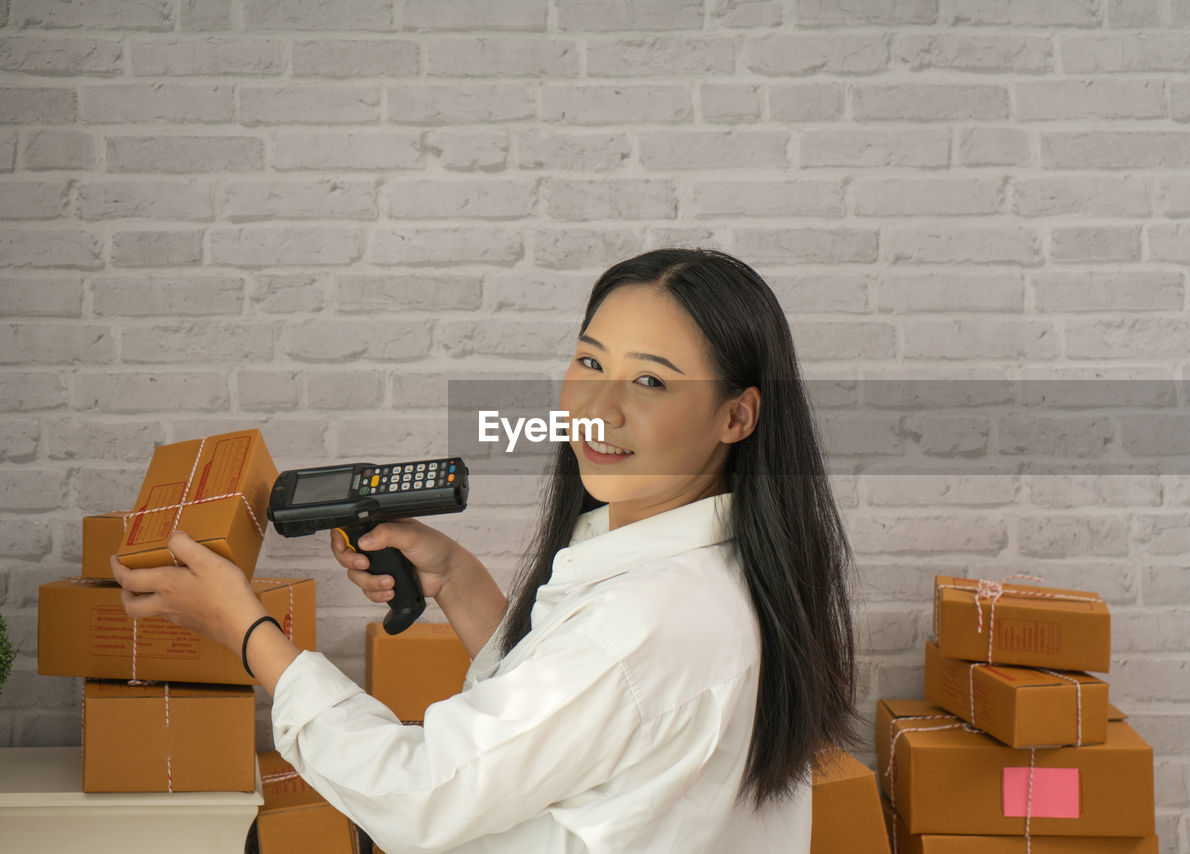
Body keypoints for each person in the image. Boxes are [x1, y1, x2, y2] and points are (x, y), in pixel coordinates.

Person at [110, 247, 859, 853]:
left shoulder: (647, 621)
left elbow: (420, 794)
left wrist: (248, 634)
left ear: (737, 414)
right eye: (590, 363)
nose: (598, 408)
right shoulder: (728, 569)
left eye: (651, 381)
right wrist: (459, 580)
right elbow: (577, 730)